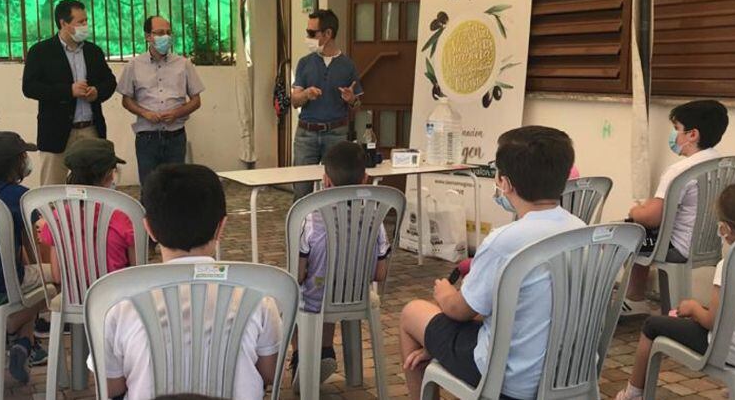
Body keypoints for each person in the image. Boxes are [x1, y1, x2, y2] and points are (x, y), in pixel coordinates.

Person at [398, 126, 582, 400]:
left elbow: (460, 311)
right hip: (570, 369)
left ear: (505, 183)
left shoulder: (504, 241)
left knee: (412, 312)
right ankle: (440, 348)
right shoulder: (582, 230)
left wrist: (445, 293)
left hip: (510, 377)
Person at [92, 164, 282, 400]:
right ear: (221, 227)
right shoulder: (258, 296)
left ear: (148, 229)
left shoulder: (118, 302)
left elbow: (110, 387)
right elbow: (271, 373)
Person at [613, 182, 735, 400]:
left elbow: (712, 321)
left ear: (725, 229)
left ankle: (632, 394)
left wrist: (692, 308)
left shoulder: (732, 264)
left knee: (652, 326)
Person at [289, 141, 390, 386]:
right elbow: (380, 273)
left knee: (295, 294)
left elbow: (299, 273)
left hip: (317, 297)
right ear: (365, 178)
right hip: (356, 295)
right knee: (332, 291)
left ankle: (302, 357)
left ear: (325, 181)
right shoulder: (375, 218)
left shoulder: (310, 218)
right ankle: (325, 352)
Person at [621, 100, 729, 316]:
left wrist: (635, 212)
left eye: (676, 129)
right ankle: (641, 298)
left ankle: (634, 298)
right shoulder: (723, 163)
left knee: (627, 233)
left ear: (692, 134)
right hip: (708, 242)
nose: (674, 135)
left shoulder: (680, 170)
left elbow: (652, 217)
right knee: (644, 232)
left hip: (677, 246)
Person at [0, 131, 49, 382]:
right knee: (59, 281)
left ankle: (23, 344)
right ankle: (12, 326)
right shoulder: (19, 196)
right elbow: (43, 237)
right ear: (15, 163)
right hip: (4, 282)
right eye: (24, 156)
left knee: (28, 280)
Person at [23, 0, 118, 186]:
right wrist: (68, 91)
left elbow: (109, 81)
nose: (85, 25)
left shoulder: (93, 51)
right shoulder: (41, 51)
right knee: (53, 188)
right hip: (56, 132)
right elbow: (30, 87)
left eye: (86, 21)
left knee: (95, 186)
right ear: (64, 23)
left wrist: (96, 92)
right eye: (80, 22)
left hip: (90, 129)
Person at [118, 15, 205, 186]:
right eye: (159, 33)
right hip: (147, 138)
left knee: (175, 188)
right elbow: (126, 100)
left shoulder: (184, 64)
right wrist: (145, 113)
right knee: (150, 188)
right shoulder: (133, 65)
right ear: (148, 36)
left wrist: (177, 113)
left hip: (175, 136)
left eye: (168, 32)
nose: (165, 37)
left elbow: (196, 100)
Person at [36, 137, 136, 284]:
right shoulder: (122, 218)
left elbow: (57, 277)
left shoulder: (58, 218)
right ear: (108, 175)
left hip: (75, 303)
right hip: (116, 301)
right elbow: (136, 272)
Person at [291, 9, 362, 200]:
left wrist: (351, 99)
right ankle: (301, 229)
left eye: (312, 33)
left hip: (336, 133)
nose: (308, 37)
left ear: (328, 34)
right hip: (306, 134)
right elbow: (294, 100)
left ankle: (335, 228)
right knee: (301, 190)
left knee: (338, 191)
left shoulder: (348, 65)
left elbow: (358, 105)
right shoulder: (304, 63)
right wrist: (306, 94)